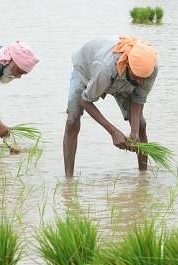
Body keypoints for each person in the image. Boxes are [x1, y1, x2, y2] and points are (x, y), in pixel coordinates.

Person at [63, 35, 158, 178]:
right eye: (137, 76)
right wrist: (113, 132)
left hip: (123, 80)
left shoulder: (150, 70)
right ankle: (68, 180)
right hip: (86, 69)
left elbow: (138, 99)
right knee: (72, 120)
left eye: (144, 78)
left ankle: (143, 177)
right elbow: (85, 100)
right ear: (127, 64)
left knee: (141, 125)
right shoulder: (105, 69)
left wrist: (134, 133)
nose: (140, 81)